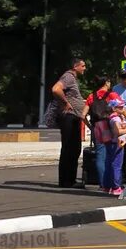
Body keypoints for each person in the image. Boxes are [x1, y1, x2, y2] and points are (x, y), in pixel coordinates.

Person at [47, 57, 87, 188]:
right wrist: (65, 103)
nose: (84, 68)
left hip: (74, 117)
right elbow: (55, 89)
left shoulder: (72, 79)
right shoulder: (68, 77)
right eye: (83, 66)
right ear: (75, 66)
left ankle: (70, 180)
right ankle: (66, 181)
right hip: (68, 117)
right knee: (69, 147)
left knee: (74, 148)